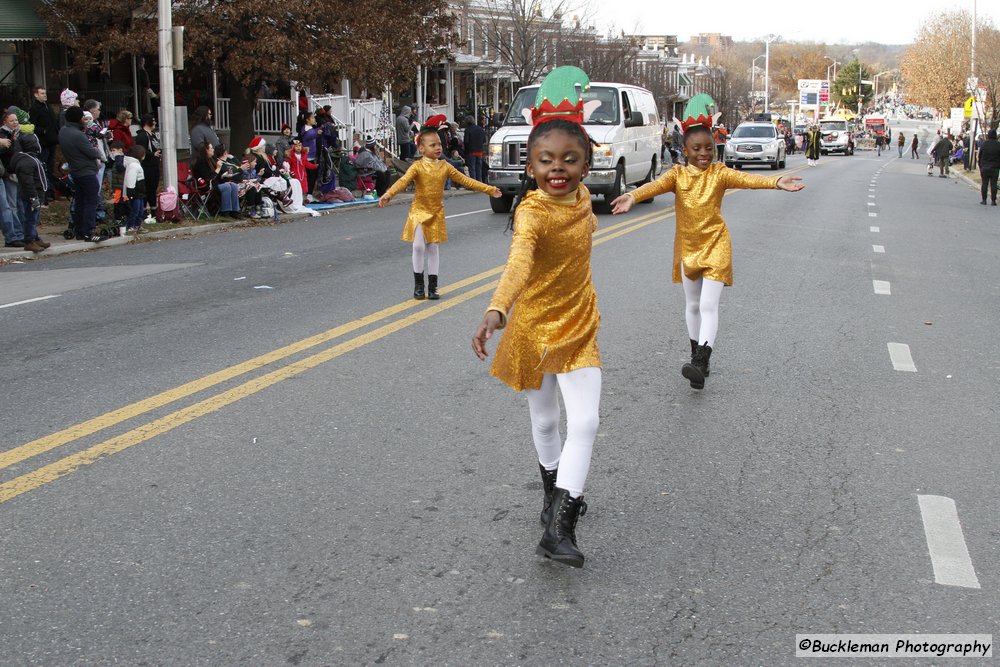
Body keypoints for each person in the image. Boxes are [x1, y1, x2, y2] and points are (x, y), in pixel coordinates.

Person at [471, 66, 602, 569]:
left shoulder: (587, 199)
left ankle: (561, 524)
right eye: (546, 160)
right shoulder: (530, 213)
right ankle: (552, 492)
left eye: (570, 160)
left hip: (579, 324)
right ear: (530, 167)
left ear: (587, 166)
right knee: (546, 420)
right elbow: (519, 262)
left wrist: (634, 195)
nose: (558, 169)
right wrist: (496, 308)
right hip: (531, 326)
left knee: (585, 421)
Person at [610, 94, 804, 390]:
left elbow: (747, 180)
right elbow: (653, 186)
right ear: (685, 150)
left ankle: (701, 360)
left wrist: (776, 181)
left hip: (716, 244)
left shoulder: (720, 173)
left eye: (709, 148)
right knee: (692, 304)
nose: (704, 153)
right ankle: (696, 353)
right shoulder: (676, 175)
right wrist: (633, 196)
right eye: (696, 149)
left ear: (716, 148)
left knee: (709, 305)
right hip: (688, 248)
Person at [378, 114, 501, 300]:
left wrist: (489, 189)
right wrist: (389, 194)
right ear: (421, 148)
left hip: (436, 211)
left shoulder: (445, 166)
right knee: (418, 246)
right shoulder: (417, 166)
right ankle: (419, 285)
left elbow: (466, 180)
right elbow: (403, 181)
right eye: (432, 145)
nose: (437, 148)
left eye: (439, 145)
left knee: (433, 247)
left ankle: (433, 287)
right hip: (419, 211)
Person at [59, 106, 104, 241]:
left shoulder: (63, 131)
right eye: (82, 117)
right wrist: (99, 154)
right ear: (78, 118)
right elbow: (91, 151)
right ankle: (89, 231)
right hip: (86, 170)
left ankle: (79, 230)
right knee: (91, 200)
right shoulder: (78, 135)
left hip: (75, 169)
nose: (84, 120)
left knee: (80, 201)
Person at [10, 133, 50, 252]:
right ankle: (29, 241)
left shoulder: (31, 158)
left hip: (36, 193)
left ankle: (35, 238)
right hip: (31, 195)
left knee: (34, 218)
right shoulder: (26, 161)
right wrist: (33, 197)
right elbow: (27, 182)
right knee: (30, 218)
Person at [193, 142, 241, 218]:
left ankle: (235, 211)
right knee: (227, 187)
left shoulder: (212, 160)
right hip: (206, 186)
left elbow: (217, 176)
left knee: (234, 185)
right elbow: (208, 178)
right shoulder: (201, 163)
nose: (213, 150)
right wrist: (218, 168)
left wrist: (223, 176)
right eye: (211, 148)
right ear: (206, 150)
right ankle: (225, 211)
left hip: (216, 183)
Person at [28, 86, 58, 202]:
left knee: (50, 167)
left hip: (52, 141)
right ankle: (45, 192)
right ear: (36, 95)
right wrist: (43, 131)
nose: (44, 95)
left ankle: (51, 191)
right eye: (41, 93)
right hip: (43, 142)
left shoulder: (48, 106)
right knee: (43, 167)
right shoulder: (35, 108)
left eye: (45, 93)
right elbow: (32, 125)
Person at [134, 114, 161, 217]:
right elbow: (140, 149)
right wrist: (152, 154)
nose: (155, 123)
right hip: (147, 166)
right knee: (146, 188)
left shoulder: (153, 134)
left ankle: (154, 211)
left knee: (153, 189)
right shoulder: (142, 135)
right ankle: (143, 212)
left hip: (155, 165)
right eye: (153, 121)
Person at [122, 144, 147, 232]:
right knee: (135, 210)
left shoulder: (135, 164)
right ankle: (130, 225)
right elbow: (131, 179)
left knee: (140, 210)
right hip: (135, 192)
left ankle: (137, 225)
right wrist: (130, 192)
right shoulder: (134, 165)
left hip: (139, 192)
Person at [978, 129, 1000, 206]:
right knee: (993, 184)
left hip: (984, 167)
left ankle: (984, 200)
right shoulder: (998, 144)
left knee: (984, 183)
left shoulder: (984, 144)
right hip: (995, 168)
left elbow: (980, 156)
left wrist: (980, 166)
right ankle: (993, 201)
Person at [463, 115, 486, 182]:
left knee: (472, 168)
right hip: (479, 151)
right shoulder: (480, 129)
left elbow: (466, 142)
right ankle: (479, 182)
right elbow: (484, 141)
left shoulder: (468, 130)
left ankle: (474, 183)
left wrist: (465, 152)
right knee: (478, 168)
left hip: (471, 151)